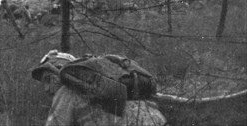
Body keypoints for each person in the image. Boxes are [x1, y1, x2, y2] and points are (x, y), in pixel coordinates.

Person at [31, 50, 167, 126]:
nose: (46, 89)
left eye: (49, 79)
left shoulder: (67, 91)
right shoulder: (116, 83)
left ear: (62, 73)